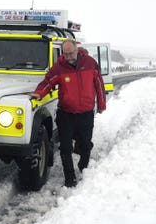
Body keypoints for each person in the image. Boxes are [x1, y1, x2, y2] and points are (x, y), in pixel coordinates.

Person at [29, 38, 107, 187]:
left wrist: (101, 104)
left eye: (71, 53)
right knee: (65, 148)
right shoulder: (59, 67)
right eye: (66, 54)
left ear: (77, 50)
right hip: (66, 114)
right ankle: (69, 179)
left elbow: (99, 84)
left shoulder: (90, 63)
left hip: (86, 113)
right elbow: (48, 82)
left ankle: (84, 169)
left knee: (85, 145)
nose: (69, 57)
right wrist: (39, 93)